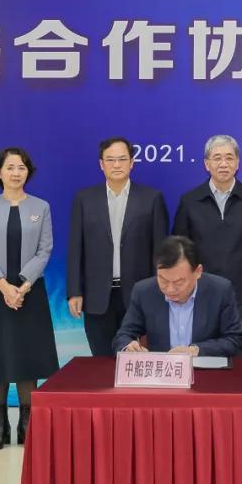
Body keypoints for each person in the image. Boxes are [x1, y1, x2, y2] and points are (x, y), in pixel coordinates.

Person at [0, 147, 59, 452]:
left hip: (30, 293)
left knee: (26, 358)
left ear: (28, 172)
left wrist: (24, 285)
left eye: (21, 167)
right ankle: (0, 426)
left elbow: (45, 250)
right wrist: (4, 286)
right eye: (10, 167)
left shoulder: (41, 207)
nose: (16, 173)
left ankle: (27, 423)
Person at [67, 137, 168, 356]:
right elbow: (75, 249)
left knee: (136, 360)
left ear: (132, 163)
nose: (116, 165)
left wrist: (159, 291)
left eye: (122, 159)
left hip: (139, 294)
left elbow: (160, 251)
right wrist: (74, 291)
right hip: (96, 296)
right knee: (101, 361)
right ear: (101, 164)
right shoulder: (84, 199)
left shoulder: (152, 198)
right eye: (110, 160)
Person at [173, 135, 242, 356]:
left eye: (229, 158)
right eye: (217, 158)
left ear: (237, 163)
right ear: (206, 164)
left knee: (241, 359)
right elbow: (180, 252)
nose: (223, 164)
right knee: (201, 356)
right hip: (199, 294)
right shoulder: (190, 201)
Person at [112, 236, 242, 358]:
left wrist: (196, 350)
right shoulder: (144, 291)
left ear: (198, 272)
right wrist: (128, 347)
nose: (169, 289)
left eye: (178, 282)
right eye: (163, 280)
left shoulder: (220, 290)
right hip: (162, 371)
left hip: (205, 369)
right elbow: (123, 335)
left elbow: (234, 339)